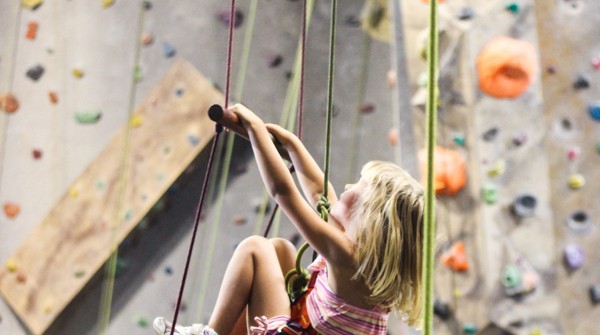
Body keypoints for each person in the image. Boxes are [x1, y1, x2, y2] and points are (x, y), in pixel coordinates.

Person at [154, 104, 424, 335]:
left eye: (359, 186)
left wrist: (256, 128)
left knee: (256, 249)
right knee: (281, 249)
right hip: (303, 325)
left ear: (371, 217)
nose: (348, 185)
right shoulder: (365, 264)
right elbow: (320, 192)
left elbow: (283, 192)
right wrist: (292, 145)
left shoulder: (349, 258)